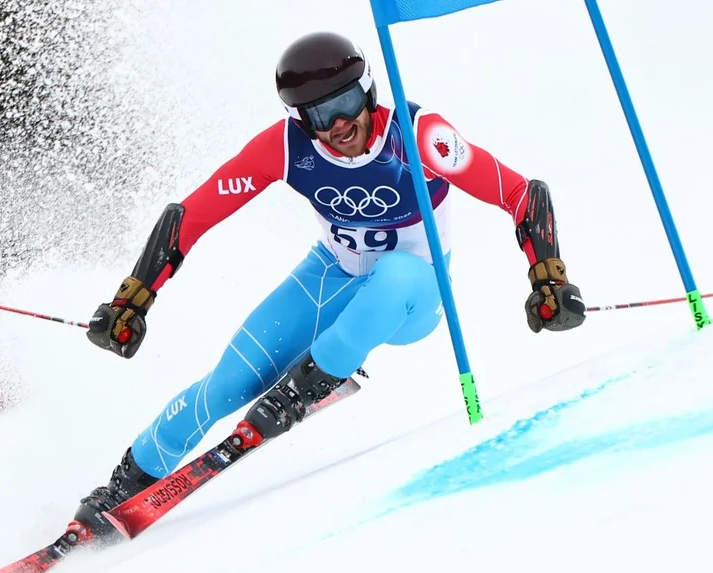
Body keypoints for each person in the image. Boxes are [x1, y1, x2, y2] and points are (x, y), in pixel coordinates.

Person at [75, 31, 586, 539]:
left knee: (392, 273)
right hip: (333, 274)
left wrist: (547, 275)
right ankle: (128, 481)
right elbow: (193, 213)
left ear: (367, 91)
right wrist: (134, 297)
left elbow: (521, 192)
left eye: (345, 103)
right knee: (229, 382)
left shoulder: (420, 134)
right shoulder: (284, 147)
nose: (339, 124)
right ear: (301, 120)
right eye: (320, 115)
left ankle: (312, 381)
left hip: (414, 295)